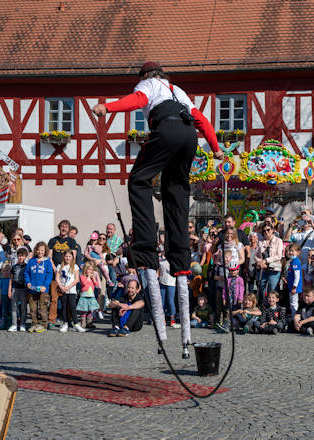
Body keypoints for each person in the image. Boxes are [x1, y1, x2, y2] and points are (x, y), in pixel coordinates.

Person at [93, 61, 222, 357]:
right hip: (189, 138)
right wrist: (214, 147)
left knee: (138, 180)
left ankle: (147, 247)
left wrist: (107, 108)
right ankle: (179, 260)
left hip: (166, 133)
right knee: (175, 193)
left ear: (144, 76)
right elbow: (201, 119)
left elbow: (137, 100)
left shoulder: (148, 85)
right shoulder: (179, 91)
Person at [24, 242, 54, 333]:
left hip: (43, 289)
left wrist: (45, 286)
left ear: (45, 251)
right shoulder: (31, 261)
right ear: (36, 250)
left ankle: (43, 324)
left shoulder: (47, 262)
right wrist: (28, 282)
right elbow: (26, 273)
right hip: (32, 289)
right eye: (38, 250)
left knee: (42, 308)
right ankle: (34, 324)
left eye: (42, 250)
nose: (40, 252)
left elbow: (49, 275)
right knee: (33, 308)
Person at [256, 222, 284, 298]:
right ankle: (264, 307)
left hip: (274, 269)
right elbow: (256, 256)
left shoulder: (279, 241)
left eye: (268, 230)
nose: (266, 232)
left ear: (272, 230)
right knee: (262, 289)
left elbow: (278, 256)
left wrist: (266, 260)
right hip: (263, 269)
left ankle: (273, 308)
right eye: (264, 231)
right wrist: (260, 263)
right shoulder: (260, 242)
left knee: (272, 290)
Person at [55, 251, 80, 333]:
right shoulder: (59, 266)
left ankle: (76, 323)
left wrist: (68, 287)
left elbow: (76, 279)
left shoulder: (75, 266)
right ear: (63, 257)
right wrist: (61, 287)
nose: (67, 258)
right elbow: (57, 278)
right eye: (66, 256)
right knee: (64, 307)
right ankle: (65, 323)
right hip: (63, 290)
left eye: (69, 256)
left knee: (72, 306)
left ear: (72, 257)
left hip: (71, 290)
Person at [8, 248, 29, 332]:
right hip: (15, 288)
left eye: (22, 256)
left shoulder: (27, 266)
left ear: (25, 257)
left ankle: (23, 324)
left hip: (24, 289)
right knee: (14, 307)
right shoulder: (14, 267)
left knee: (23, 307)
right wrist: (9, 290)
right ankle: (14, 324)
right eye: (19, 256)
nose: (21, 257)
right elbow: (11, 279)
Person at [77, 261, 101, 331]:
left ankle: (89, 323)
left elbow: (96, 285)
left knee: (90, 310)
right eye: (89, 269)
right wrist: (88, 277)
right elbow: (84, 283)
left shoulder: (92, 277)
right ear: (85, 269)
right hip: (84, 295)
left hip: (91, 296)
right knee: (84, 310)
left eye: (91, 270)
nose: (90, 271)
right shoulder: (82, 276)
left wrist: (93, 279)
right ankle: (83, 323)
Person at [158, 251, 178, 328]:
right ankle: (162, 319)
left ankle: (172, 319)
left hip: (171, 283)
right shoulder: (161, 261)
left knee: (170, 301)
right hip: (162, 282)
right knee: (162, 302)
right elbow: (158, 271)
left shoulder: (173, 261)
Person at [286, 243, 303, 318]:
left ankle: (295, 317)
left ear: (298, 252)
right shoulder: (292, 261)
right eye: (290, 251)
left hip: (294, 287)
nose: (291, 252)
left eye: (293, 251)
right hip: (291, 285)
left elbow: (297, 276)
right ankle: (293, 316)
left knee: (294, 303)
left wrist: (294, 286)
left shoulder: (296, 261)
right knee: (291, 302)